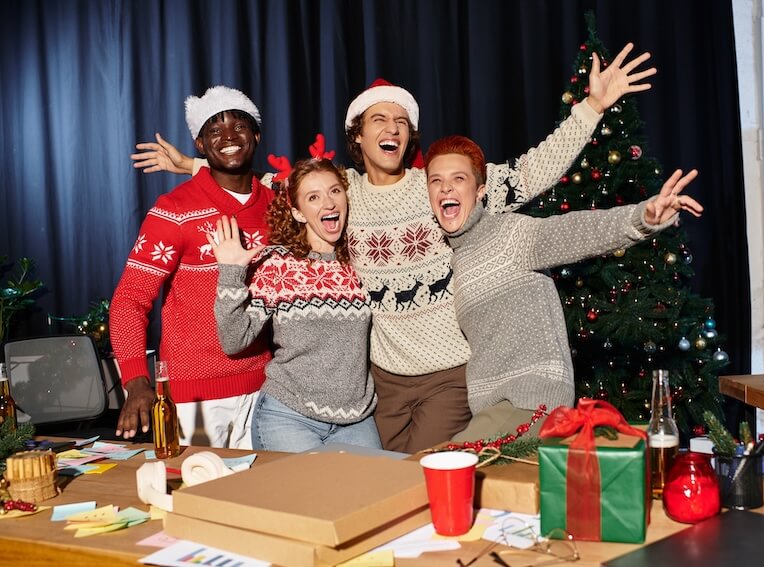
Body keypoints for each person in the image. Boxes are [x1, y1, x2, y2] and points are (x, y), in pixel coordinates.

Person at [131, 43, 656, 453]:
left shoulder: (441, 186)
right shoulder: (345, 195)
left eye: (401, 121)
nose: (392, 128)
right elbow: (285, 183)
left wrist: (591, 108)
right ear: (357, 136)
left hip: (447, 376)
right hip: (379, 383)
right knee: (378, 489)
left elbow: (532, 171)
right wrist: (196, 164)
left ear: (410, 136)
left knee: (422, 481)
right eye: (378, 120)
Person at [423, 135, 703, 440]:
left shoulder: (511, 235)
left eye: (458, 178)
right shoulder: (458, 259)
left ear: (480, 191)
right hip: (492, 410)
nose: (446, 187)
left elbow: (577, 232)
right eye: (436, 181)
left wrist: (642, 218)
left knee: (440, 471)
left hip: (532, 401)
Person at [111, 86, 274, 448]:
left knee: (263, 500)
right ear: (201, 144)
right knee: (193, 499)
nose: (229, 136)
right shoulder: (174, 210)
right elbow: (129, 301)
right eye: (214, 129)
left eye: (239, 125)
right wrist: (136, 380)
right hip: (193, 398)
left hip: (268, 391)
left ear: (257, 136)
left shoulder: (278, 205)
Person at [207, 155, 379, 452]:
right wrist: (232, 274)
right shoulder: (279, 265)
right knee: (303, 498)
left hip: (356, 418)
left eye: (334, 191)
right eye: (313, 197)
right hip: (288, 415)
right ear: (298, 213)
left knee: (375, 495)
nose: (328, 203)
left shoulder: (362, 261)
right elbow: (234, 341)